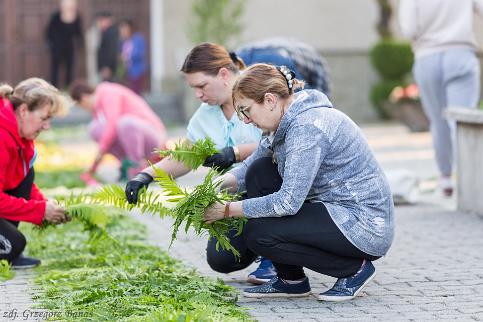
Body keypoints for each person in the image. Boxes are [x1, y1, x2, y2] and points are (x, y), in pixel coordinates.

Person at [202, 63, 394, 301]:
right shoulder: (281, 122)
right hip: (331, 209)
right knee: (260, 172)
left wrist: (227, 210)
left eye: (246, 110)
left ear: (270, 100)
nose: (245, 120)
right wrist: (211, 188)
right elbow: (249, 168)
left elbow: (288, 202)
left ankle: (354, 270)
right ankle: (291, 280)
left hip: (362, 223)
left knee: (259, 233)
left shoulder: (307, 127)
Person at [124, 43, 277, 284]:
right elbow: (187, 155)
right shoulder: (206, 114)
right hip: (237, 195)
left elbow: (279, 142)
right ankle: (262, 245)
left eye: (201, 86)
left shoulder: (259, 94)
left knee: (261, 169)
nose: (198, 94)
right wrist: (146, 176)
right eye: (193, 88)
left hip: (276, 190)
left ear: (223, 75)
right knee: (222, 260)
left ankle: (275, 259)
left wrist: (235, 153)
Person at [399, 0, 483, 196]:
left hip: (426, 58)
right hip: (460, 55)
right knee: (461, 123)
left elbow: (409, 29)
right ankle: (470, 178)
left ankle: (445, 179)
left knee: (439, 122)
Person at [0, 78, 69, 268]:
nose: (47, 126)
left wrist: (45, 205)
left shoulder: (21, 136)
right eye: (44, 118)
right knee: (14, 244)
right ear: (23, 111)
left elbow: (20, 181)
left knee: (26, 174)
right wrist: (40, 211)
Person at [69, 80, 167, 182]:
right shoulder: (98, 109)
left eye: (82, 106)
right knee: (95, 129)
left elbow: (112, 125)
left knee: (124, 123)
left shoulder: (108, 92)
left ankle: (137, 167)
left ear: (83, 98)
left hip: (154, 137)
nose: (85, 109)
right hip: (135, 135)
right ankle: (126, 164)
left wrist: (97, 160)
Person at [236, 37, 331, 97]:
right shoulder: (320, 70)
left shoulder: (311, 60)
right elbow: (313, 98)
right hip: (277, 56)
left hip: (244, 53)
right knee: (302, 99)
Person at [45, 0, 83, 89]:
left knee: (69, 68)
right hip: (57, 46)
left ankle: (68, 88)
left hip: (69, 46)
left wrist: (80, 44)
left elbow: (79, 32)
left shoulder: (77, 16)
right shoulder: (56, 15)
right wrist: (50, 43)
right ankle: (53, 88)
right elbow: (49, 31)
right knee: (55, 69)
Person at [119, 18, 147, 94]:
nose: (123, 31)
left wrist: (127, 57)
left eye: (125, 29)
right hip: (128, 72)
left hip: (137, 71)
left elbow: (139, 53)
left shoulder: (138, 38)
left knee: (135, 93)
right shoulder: (125, 41)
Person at [95, 11, 119, 82]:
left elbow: (111, 51)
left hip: (107, 67)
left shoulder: (110, 33)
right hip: (105, 66)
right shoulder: (105, 32)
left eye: (101, 21)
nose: (99, 23)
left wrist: (107, 66)